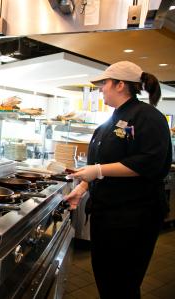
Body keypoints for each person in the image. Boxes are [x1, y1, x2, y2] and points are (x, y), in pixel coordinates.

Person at [64, 61, 172, 299]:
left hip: (134, 217)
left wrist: (99, 170)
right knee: (105, 278)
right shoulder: (109, 122)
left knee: (122, 284)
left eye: (104, 84)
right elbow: (99, 161)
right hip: (107, 214)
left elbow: (149, 162)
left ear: (121, 84)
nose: (101, 89)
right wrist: (83, 187)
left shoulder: (148, 117)